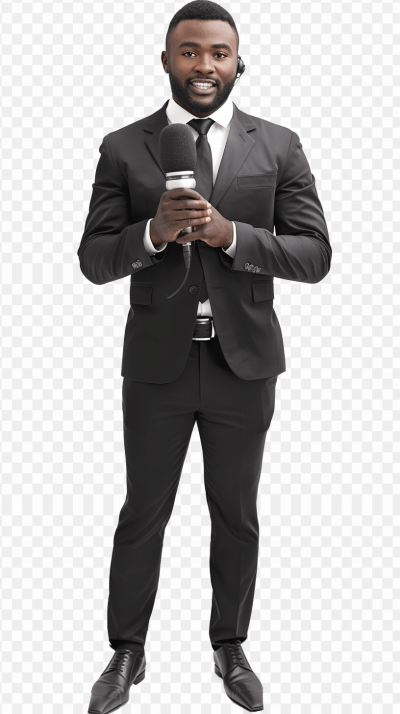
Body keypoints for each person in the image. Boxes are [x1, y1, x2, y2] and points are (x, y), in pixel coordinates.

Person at [78, 2, 332, 712]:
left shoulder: (277, 144)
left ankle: (230, 645)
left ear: (237, 61)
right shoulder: (125, 146)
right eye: (189, 53)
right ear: (167, 61)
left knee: (236, 512)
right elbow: (94, 259)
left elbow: (316, 255)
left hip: (242, 364)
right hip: (156, 366)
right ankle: (126, 652)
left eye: (218, 53)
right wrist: (151, 236)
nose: (204, 66)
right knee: (142, 513)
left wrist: (230, 235)